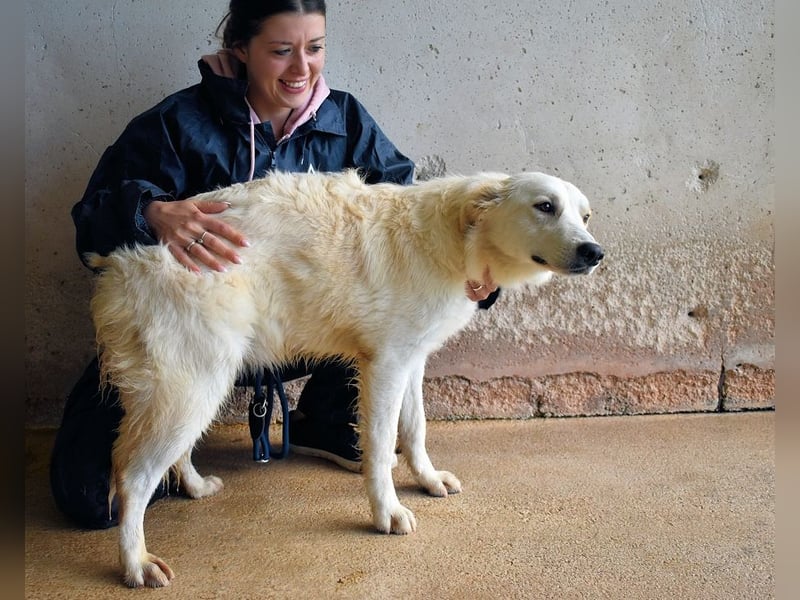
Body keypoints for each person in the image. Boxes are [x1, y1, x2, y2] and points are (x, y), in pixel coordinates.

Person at [50, 0, 499, 530]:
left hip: (313, 330)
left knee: (379, 311)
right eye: (281, 51)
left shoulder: (346, 119)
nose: (302, 68)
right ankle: (171, 440)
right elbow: (91, 221)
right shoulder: (179, 122)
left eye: (315, 49)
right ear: (241, 49)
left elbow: (415, 212)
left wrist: (479, 272)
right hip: (200, 328)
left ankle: (324, 419)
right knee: (89, 500)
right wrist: (149, 210)